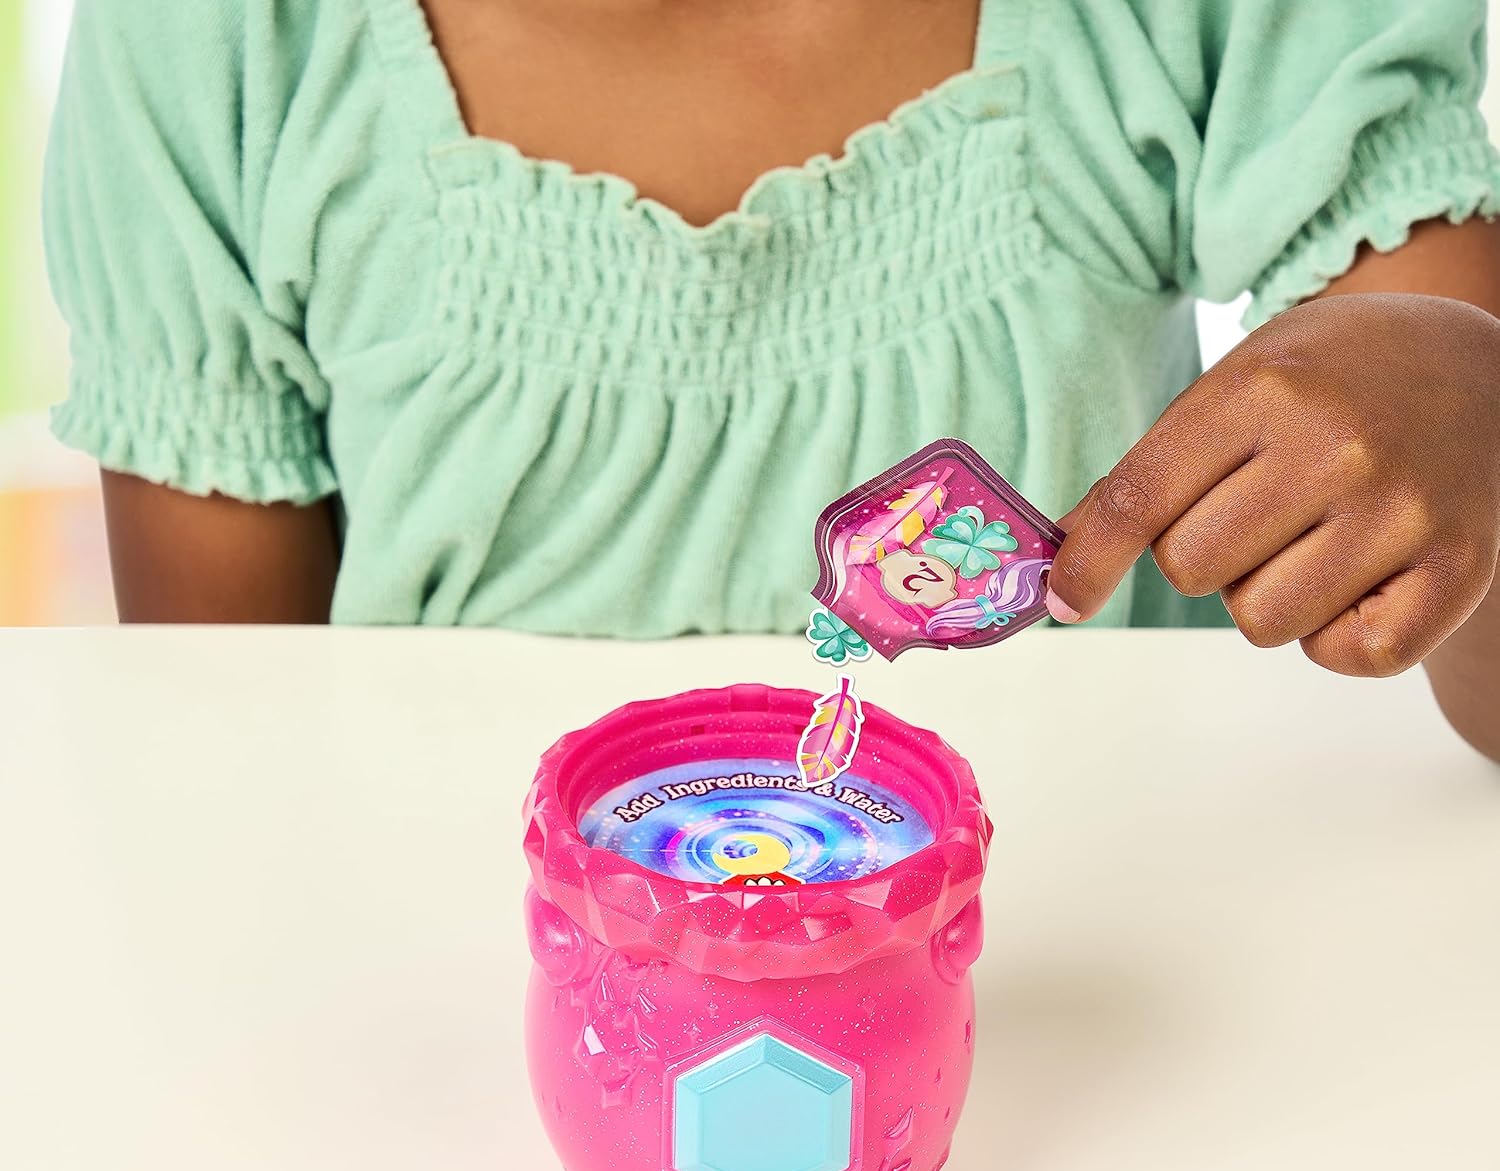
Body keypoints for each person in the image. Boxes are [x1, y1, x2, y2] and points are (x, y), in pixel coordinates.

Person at [43, 0, 1500, 757]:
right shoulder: (222, 44)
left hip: (1127, 1043)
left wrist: (1476, 406)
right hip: (474, 1102)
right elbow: (223, 758)